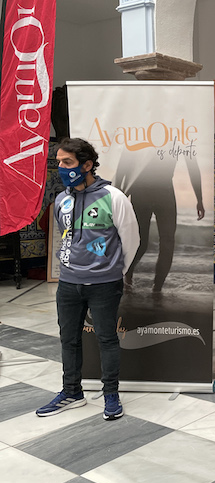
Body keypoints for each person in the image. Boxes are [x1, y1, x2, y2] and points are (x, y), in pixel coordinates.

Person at [37, 138, 140, 420]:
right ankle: (71, 392)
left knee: (107, 339)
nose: (60, 167)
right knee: (68, 339)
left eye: (67, 162)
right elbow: (67, 236)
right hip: (68, 284)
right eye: (58, 162)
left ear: (87, 164)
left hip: (104, 285)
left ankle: (111, 395)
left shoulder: (114, 197)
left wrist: (113, 272)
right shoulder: (62, 199)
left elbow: (131, 240)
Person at [114, 146, 204, 293]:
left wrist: (199, 199)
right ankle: (127, 278)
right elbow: (123, 166)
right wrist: (117, 195)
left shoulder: (178, 137)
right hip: (141, 193)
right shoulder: (139, 135)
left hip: (165, 194)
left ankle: (157, 288)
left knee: (167, 242)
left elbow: (192, 166)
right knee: (140, 243)